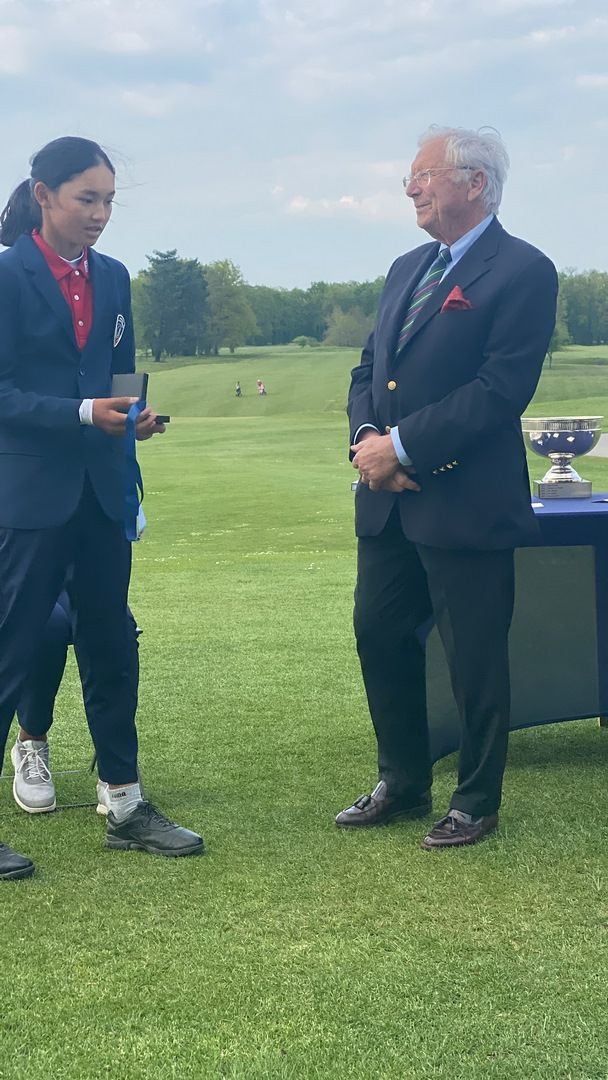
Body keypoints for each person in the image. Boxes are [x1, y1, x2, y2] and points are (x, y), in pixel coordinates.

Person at [337, 126, 557, 849]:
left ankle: (476, 799)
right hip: (389, 502)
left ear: (475, 184)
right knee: (379, 634)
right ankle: (402, 782)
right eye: (412, 177)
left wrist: (401, 447)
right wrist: (368, 442)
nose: (411, 188)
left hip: (467, 503)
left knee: (474, 657)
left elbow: (500, 389)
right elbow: (369, 370)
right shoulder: (407, 267)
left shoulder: (523, 270)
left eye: (425, 175)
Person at [0, 136, 204, 880]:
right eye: (87, 198)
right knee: (12, 647)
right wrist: (86, 412)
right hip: (31, 497)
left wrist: (131, 417)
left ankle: (125, 803)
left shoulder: (113, 277)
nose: (100, 213)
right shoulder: (6, 276)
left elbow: (119, 376)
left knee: (111, 642)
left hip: (101, 493)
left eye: (109, 200)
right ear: (43, 194)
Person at [9, 588, 140, 816]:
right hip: (17, 583)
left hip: (72, 580)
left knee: (117, 624)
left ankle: (117, 773)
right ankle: (31, 740)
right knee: (46, 626)